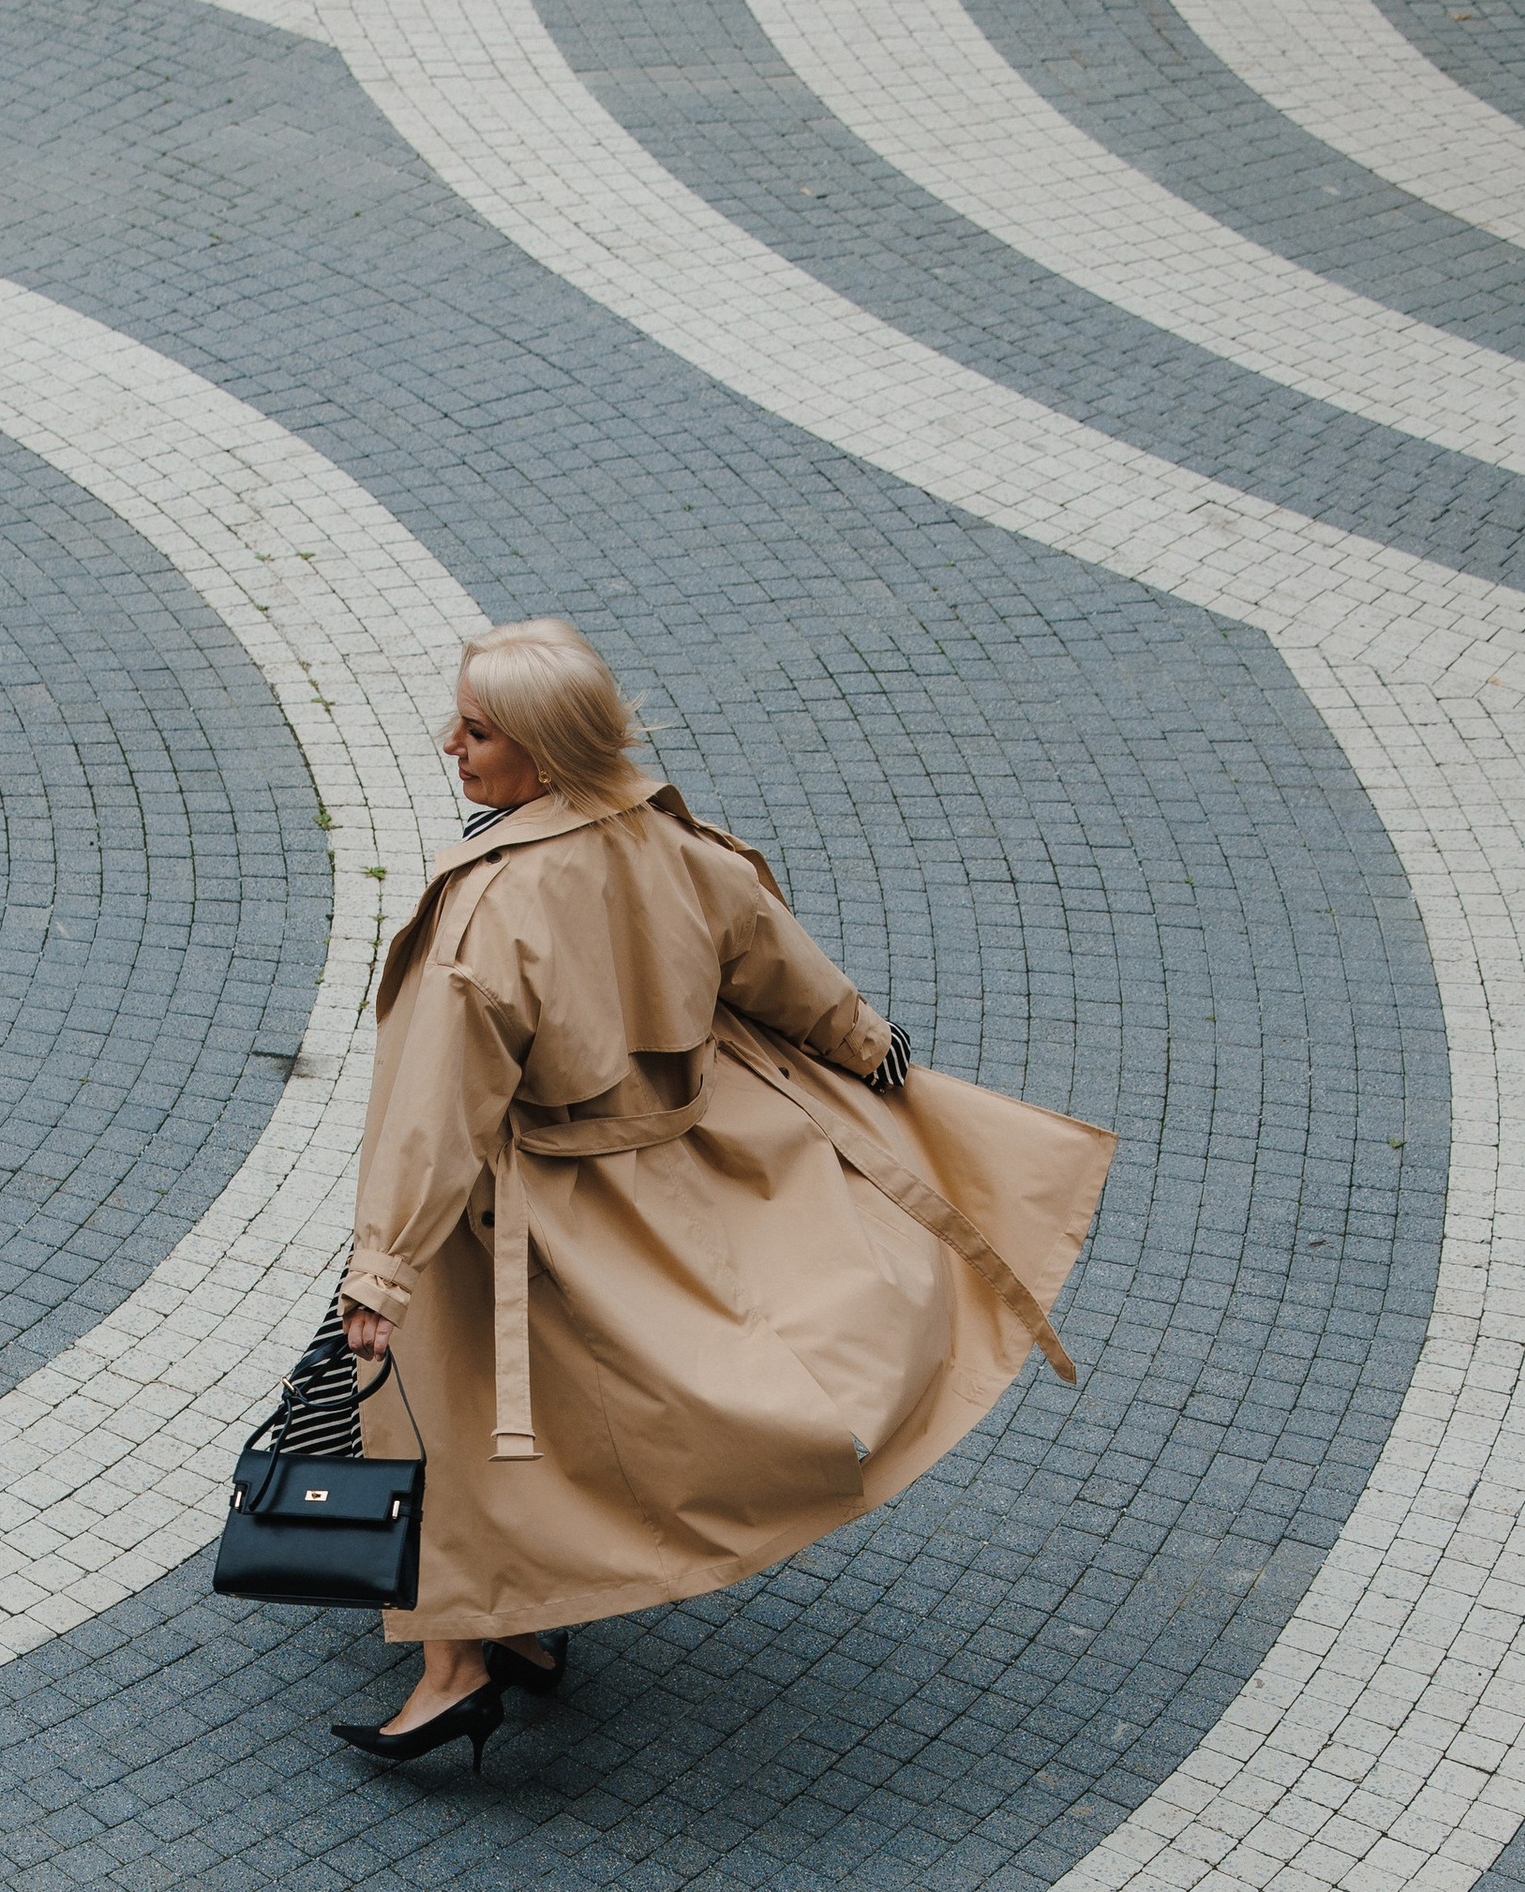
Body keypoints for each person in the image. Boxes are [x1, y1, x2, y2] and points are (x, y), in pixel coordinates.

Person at [315, 619, 1116, 1769]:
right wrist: (864, 1039)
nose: (452, 745)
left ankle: (454, 1673)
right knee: (556, 1419)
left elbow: (435, 1104)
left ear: (539, 752)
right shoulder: (665, 841)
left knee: (453, 1420)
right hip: (662, 1179)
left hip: (518, 1208)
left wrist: (383, 1265)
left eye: (477, 731)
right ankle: (522, 1630)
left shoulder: (489, 912)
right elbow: (768, 953)